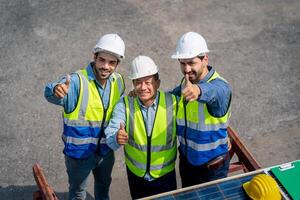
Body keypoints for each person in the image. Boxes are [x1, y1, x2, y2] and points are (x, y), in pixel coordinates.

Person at [44, 33, 125, 200]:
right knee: (78, 193)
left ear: (117, 64)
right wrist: (55, 90)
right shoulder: (76, 82)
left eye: (112, 62)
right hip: (79, 156)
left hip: (105, 151)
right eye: (102, 60)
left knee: (103, 187)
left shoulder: (119, 82)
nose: (105, 66)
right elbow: (51, 92)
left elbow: (119, 108)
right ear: (94, 57)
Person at [105, 56, 177, 199]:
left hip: (165, 176)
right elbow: (111, 132)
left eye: (148, 82)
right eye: (138, 82)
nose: (143, 87)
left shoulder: (173, 103)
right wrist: (116, 138)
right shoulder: (124, 104)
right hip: (136, 177)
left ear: (157, 83)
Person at [170, 32, 232, 187]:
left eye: (191, 62)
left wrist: (198, 91)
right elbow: (170, 98)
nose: (186, 69)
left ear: (205, 59)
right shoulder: (187, 81)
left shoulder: (221, 87)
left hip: (212, 171)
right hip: (187, 163)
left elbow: (214, 91)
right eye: (182, 63)